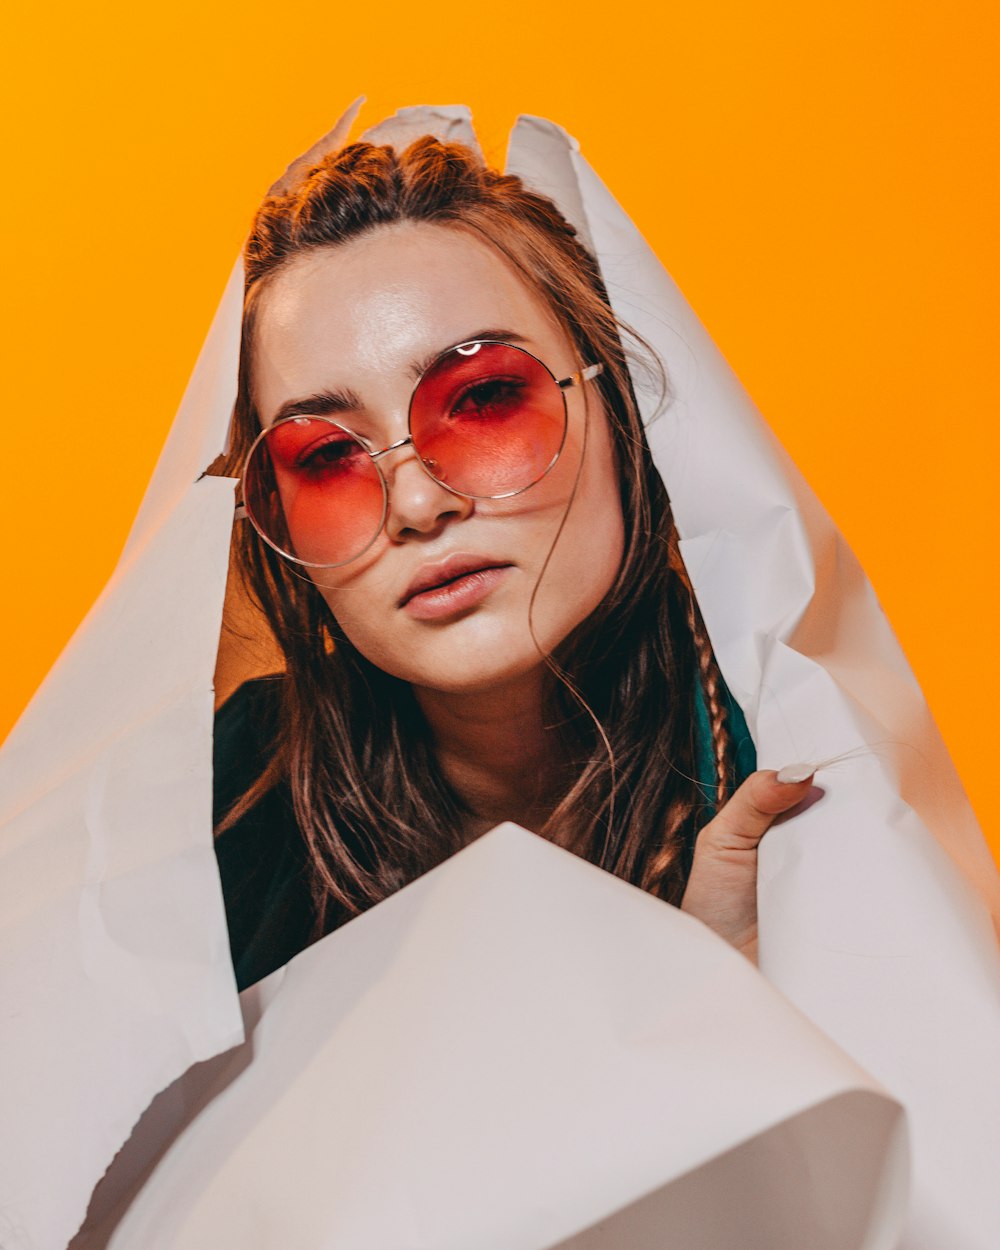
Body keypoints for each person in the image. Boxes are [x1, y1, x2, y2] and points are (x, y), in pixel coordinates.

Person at [210, 135, 817, 992]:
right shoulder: (208, 812)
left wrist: (745, 1016)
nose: (418, 503)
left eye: (485, 399)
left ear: (624, 414)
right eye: (326, 458)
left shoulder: (799, 756)